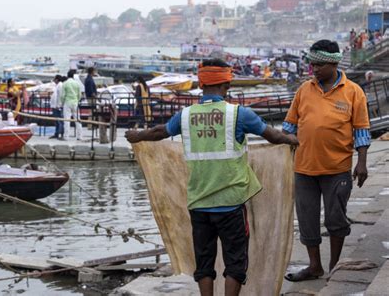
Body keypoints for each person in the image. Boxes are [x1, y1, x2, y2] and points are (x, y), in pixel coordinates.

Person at [125, 59, 299, 296]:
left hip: (199, 203)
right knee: (235, 262)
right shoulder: (239, 114)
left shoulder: (185, 116)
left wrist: (137, 135)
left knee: (204, 263)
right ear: (227, 83)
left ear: (201, 83)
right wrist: (292, 140)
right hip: (231, 204)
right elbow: (274, 137)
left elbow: (158, 132)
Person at [283, 40, 371, 282]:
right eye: (312, 65)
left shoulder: (353, 91)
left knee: (335, 218)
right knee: (307, 219)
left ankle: (334, 264)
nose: (314, 69)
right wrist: (284, 139)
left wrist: (361, 163)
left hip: (338, 169)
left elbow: (362, 130)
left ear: (333, 63)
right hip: (304, 169)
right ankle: (314, 266)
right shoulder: (304, 90)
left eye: (319, 65)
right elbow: (289, 125)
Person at [60, 69, 83, 141]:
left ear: (67, 76)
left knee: (66, 120)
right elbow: (80, 95)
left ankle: (66, 136)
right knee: (77, 120)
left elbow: (62, 95)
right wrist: (77, 100)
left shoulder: (65, 83)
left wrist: (62, 103)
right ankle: (80, 136)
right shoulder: (77, 84)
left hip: (67, 102)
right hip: (75, 102)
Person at [49, 75, 64, 140]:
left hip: (57, 106)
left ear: (57, 79)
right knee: (57, 121)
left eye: (55, 79)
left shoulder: (60, 85)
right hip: (55, 105)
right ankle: (57, 133)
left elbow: (60, 96)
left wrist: (58, 105)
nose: (54, 80)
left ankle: (61, 134)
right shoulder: (57, 86)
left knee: (60, 121)